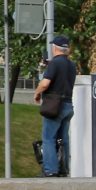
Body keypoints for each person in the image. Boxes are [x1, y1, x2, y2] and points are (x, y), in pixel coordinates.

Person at [33, 35, 77, 177]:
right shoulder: (71, 65)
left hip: (54, 106)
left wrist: (37, 93)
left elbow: (45, 83)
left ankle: (50, 170)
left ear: (55, 48)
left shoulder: (55, 64)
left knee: (48, 138)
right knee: (63, 139)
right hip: (68, 105)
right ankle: (63, 169)